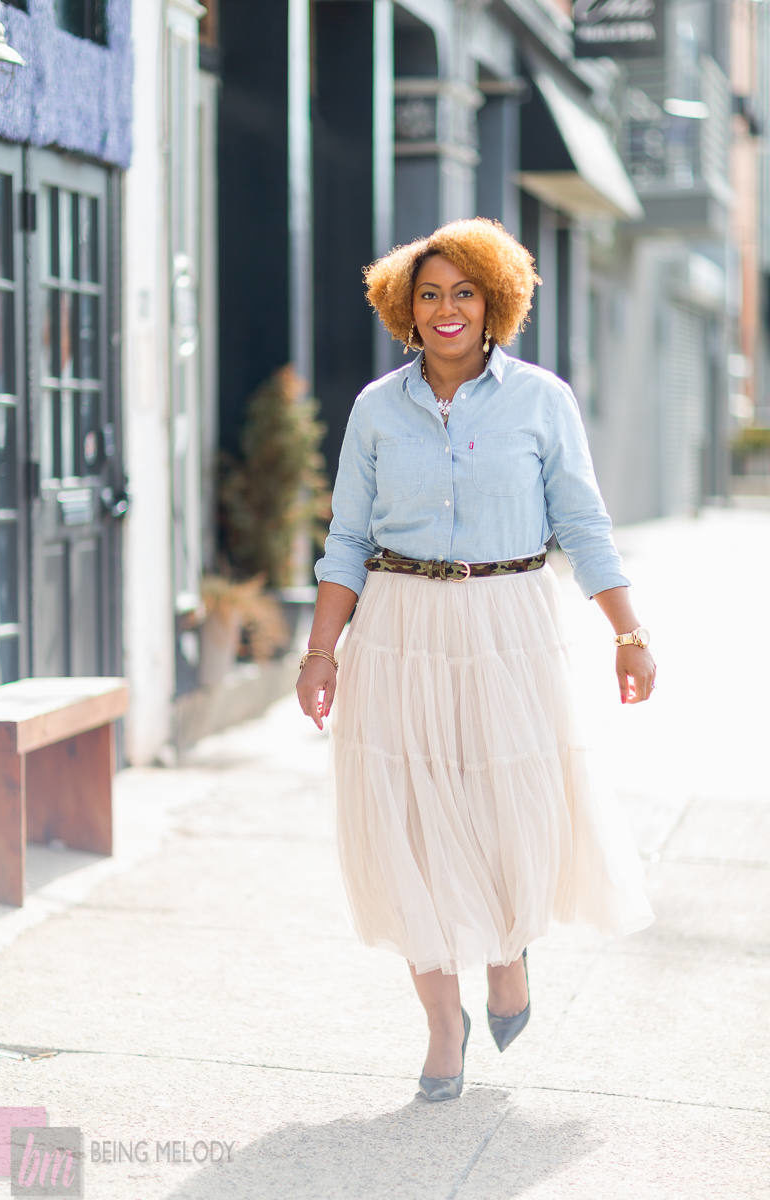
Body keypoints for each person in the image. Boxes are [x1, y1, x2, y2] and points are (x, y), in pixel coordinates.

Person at [297, 217, 656, 1103]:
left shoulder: (542, 401)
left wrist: (629, 630)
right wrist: (319, 653)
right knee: (409, 825)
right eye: (429, 294)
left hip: (509, 623)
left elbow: (581, 524)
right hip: (399, 628)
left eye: (464, 292)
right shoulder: (377, 410)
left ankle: (507, 957)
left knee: (506, 812)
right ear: (404, 310)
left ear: (494, 302)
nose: (447, 309)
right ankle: (441, 1026)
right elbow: (346, 536)